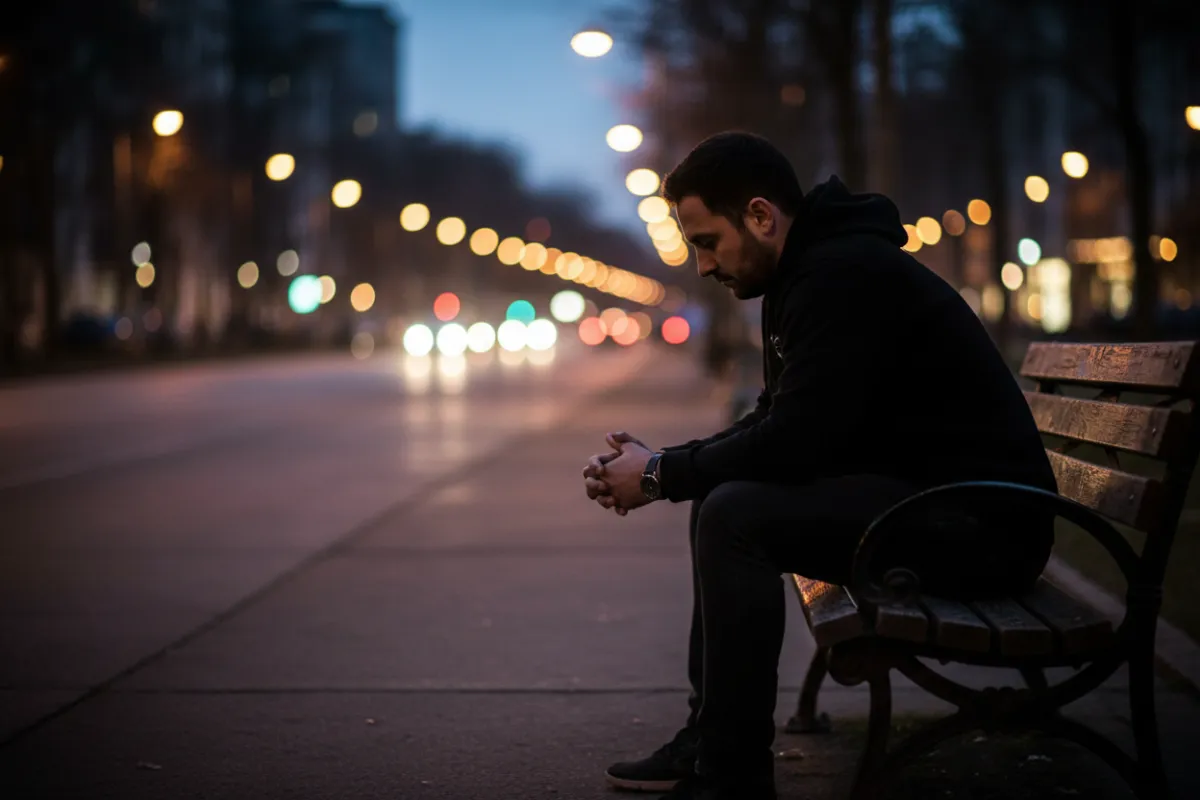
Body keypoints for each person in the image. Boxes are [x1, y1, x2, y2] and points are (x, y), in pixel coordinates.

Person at [581, 132, 1057, 800]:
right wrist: (668, 465)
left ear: (760, 216)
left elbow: (799, 441)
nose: (703, 265)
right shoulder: (803, 275)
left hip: (984, 526)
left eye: (707, 241)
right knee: (725, 498)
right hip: (931, 501)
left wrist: (662, 475)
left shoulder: (843, 276)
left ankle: (732, 774)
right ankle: (714, 739)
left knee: (734, 514)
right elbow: (779, 420)